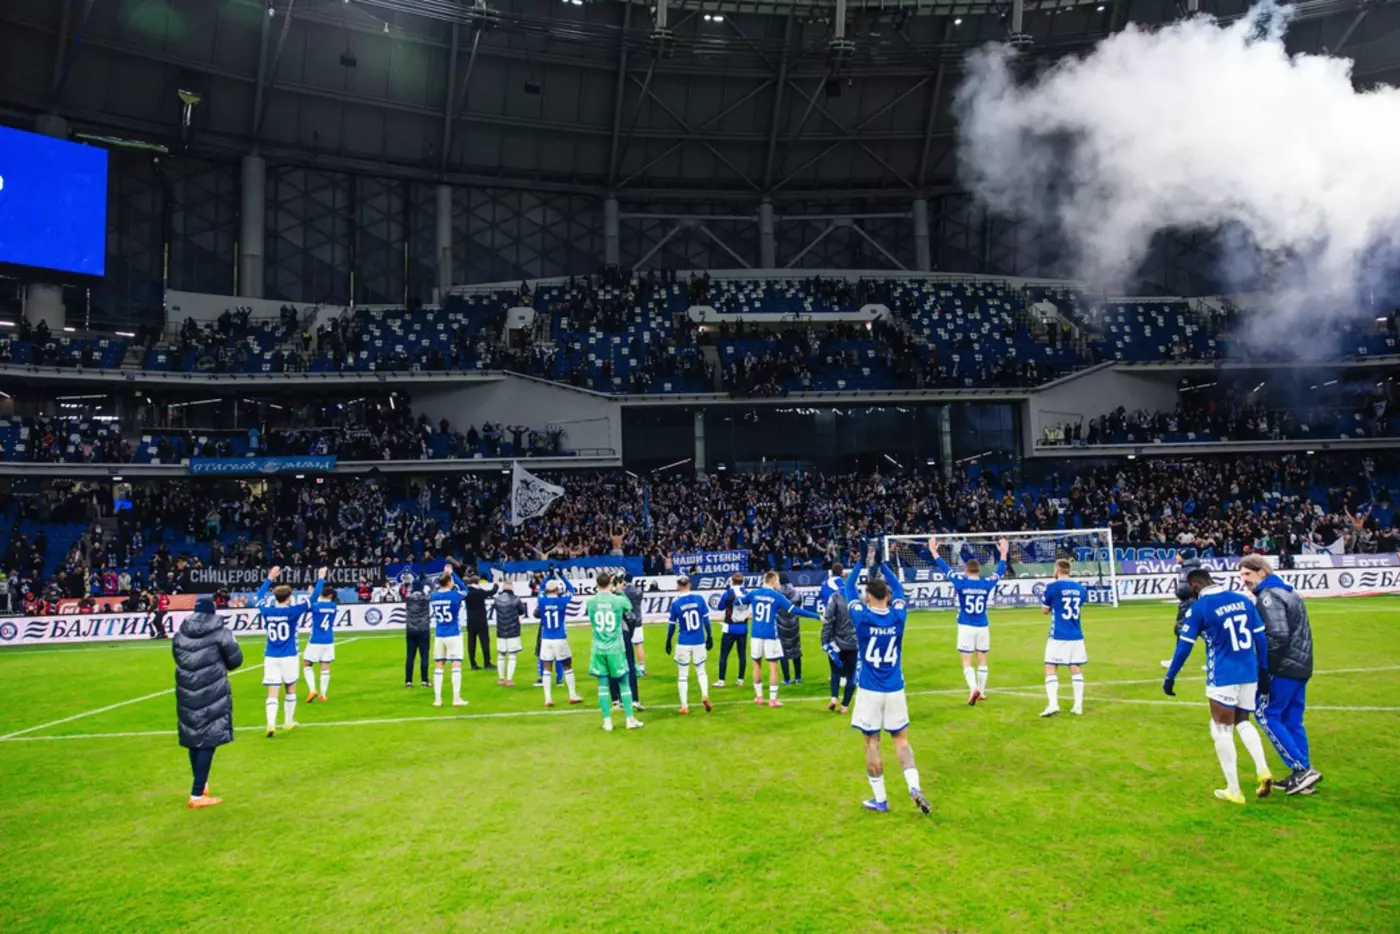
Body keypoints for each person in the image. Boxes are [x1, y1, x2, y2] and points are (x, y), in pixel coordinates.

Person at [1163, 568, 1275, 804]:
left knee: (1221, 729)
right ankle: (1263, 769)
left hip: (1223, 675)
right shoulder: (1242, 600)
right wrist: (1264, 670)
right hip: (1249, 671)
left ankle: (1234, 790)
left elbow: (1184, 646)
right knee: (1243, 721)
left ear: (1195, 586)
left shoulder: (1200, 608)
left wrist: (1170, 676)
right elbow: (1260, 637)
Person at [843, 553, 930, 816]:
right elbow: (900, 589)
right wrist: (883, 566)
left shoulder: (861, 616)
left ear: (867, 597)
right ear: (888, 597)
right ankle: (914, 787)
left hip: (870, 688)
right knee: (901, 741)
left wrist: (861, 563)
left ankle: (880, 800)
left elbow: (848, 589)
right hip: (895, 688)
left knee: (872, 742)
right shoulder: (898, 616)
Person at [1240, 554, 1322, 795]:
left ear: (1262, 572)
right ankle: (1303, 776)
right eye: (1241, 575)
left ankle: (1302, 769)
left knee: (1266, 714)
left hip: (1284, 667)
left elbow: (1277, 636)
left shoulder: (1268, 596)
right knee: (1291, 720)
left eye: (1247, 574)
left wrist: (1265, 669)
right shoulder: (1287, 592)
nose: (1244, 579)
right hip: (1300, 665)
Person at [173, 596, 242, 809]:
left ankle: (201, 785)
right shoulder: (221, 632)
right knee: (208, 739)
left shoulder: (181, 633)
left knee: (193, 736)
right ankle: (196, 795)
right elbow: (235, 660)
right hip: (212, 689)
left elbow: (177, 657)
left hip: (186, 688)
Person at [931, 536, 1008, 705]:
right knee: (982, 659)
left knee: (966, 661)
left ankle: (973, 688)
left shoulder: (960, 582)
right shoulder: (986, 583)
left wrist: (934, 552)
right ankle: (982, 692)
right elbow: (999, 571)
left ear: (966, 570)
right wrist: (1003, 553)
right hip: (982, 626)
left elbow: (946, 569)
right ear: (979, 571)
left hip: (966, 625)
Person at [741, 570, 820, 708]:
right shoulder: (777, 596)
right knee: (773, 667)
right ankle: (772, 700)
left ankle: (759, 697)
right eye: (777, 581)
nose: (778, 583)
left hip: (755, 635)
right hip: (771, 635)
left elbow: (739, 601)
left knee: (756, 665)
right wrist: (816, 616)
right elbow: (795, 610)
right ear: (772, 581)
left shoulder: (754, 593)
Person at [253, 566, 313, 737]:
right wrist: (321, 579)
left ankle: (270, 724)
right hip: (289, 656)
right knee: (290, 688)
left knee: (272, 691)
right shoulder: (293, 611)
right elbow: (314, 597)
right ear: (289, 597)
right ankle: (287, 722)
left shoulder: (267, 610)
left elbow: (258, 596)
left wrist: (270, 578)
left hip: (271, 656)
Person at [587, 572, 643, 731]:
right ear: (611, 584)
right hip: (616, 648)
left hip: (598, 648)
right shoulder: (618, 600)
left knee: (602, 686)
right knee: (624, 683)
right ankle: (629, 719)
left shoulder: (590, 602)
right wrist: (619, 591)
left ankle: (607, 722)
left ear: (597, 584)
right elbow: (629, 606)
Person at [1039, 558, 1088, 718]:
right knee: (1075, 667)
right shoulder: (1080, 588)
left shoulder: (1053, 587)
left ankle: (1053, 704)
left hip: (1058, 634)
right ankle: (1078, 706)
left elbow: (1045, 610)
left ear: (1057, 570)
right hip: (1076, 634)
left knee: (1050, 667)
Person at [533, 572, 583, 708]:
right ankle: (572, 695)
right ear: (557, 589)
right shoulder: (562, 601)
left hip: (546, 638)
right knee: (567, 666)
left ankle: (548, 698)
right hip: (560, 637)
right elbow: (571, 590)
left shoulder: (541, 600)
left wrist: (548, 576)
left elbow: (540, 589)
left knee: (546, 668)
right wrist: (562, 577)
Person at [665, 576, 713, 715]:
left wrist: (668, 641)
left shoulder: (676, 603)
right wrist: (709, 636)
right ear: (689, 585)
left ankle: (684, 706)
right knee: (701, 670)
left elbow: (672, 626)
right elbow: (706, 620)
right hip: (699, 640)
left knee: (682, 675)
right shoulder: (699, 599)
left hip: (683, 642)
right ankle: (705, 694)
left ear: (678, 586)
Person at [430, 565, 470, 708]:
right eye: (451, 580)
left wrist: (446, 575)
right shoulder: (454, 595)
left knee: (439, 665)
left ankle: (437, 699)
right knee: (456, 665)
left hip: (439, 634)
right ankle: (456, 698)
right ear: (448, 582)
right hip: (453, 634)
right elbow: (466, 590)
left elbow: (440, 589)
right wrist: (453, 575)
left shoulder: (434, 596)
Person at [821, 569, 858, 713]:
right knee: (852, 675)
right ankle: (845, 706)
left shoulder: (835, 597)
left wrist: (824, 640)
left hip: (837, 642)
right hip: (854, 644)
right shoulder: (860, 599)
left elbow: (828, 620)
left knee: (835, 671)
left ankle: (834, 698)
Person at [302, 569, 335, 703]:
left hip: (316, 639)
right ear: (331, 596)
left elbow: (308, 606)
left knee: (307, 664)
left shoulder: (316, 606)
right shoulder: (333, 606)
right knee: (325, 665)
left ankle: (312, 690)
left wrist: (311, 594)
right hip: (329, 640)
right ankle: (323, 695)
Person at [714, 573, 748, 688]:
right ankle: (740, 680)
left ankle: (721, 680)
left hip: (730, 628)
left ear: (732, 581)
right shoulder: (747, 593)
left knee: (724, 655)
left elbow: (720, 607)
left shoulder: (728, 594)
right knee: (742, 655)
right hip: (743, 628)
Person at [819, 563, 847, 699]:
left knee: (831, 645)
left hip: (828, 616)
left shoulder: (824, 583)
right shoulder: (842, 582)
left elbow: (822, 598)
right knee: (843, 645)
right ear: (841, 572)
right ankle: (843, 675)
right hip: (841, 617)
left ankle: (835, 673)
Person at [494, 580, 526, 686]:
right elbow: (522, 611)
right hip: (513, 630)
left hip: (500, 630)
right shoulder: (516, 599)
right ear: (512, 587)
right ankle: (509, 679)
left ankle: (501, 679)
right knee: (512, 655)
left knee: (501, 655)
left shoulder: (497, 599)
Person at [464, 573, 497, 670]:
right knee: (484, 641)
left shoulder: (467, 593)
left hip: (470, 620)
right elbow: (492, 592)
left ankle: (473, 664)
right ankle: (487, 663)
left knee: (471, 642)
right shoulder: (479, 592)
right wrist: (496, 585)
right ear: (477, 582)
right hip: (481, 620)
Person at [776, 572, 804, 685]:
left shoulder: (776, 594)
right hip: (794, 625)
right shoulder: (796, 593)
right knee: (796, 650)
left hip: (781, 625)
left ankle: (787, 679)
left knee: (783, 653)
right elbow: (799, 605)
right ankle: (798, 678)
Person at [404, 580, 432, 688]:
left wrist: (413, 586)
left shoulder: (408, 598)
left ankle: (408, 681)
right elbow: (432, 591)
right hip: (423, 629)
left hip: (411, 630)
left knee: (410, 656)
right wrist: (427, 583)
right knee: (424, 656)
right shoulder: (425, 598)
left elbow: (407, 591)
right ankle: (424, 680)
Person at [624, 572, 648, 677]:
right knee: (639, 645)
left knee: (625, 646)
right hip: (637, 620)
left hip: (626, 621)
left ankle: (628, 667)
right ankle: (642, 668)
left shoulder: (623, 591)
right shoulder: (638, 590)